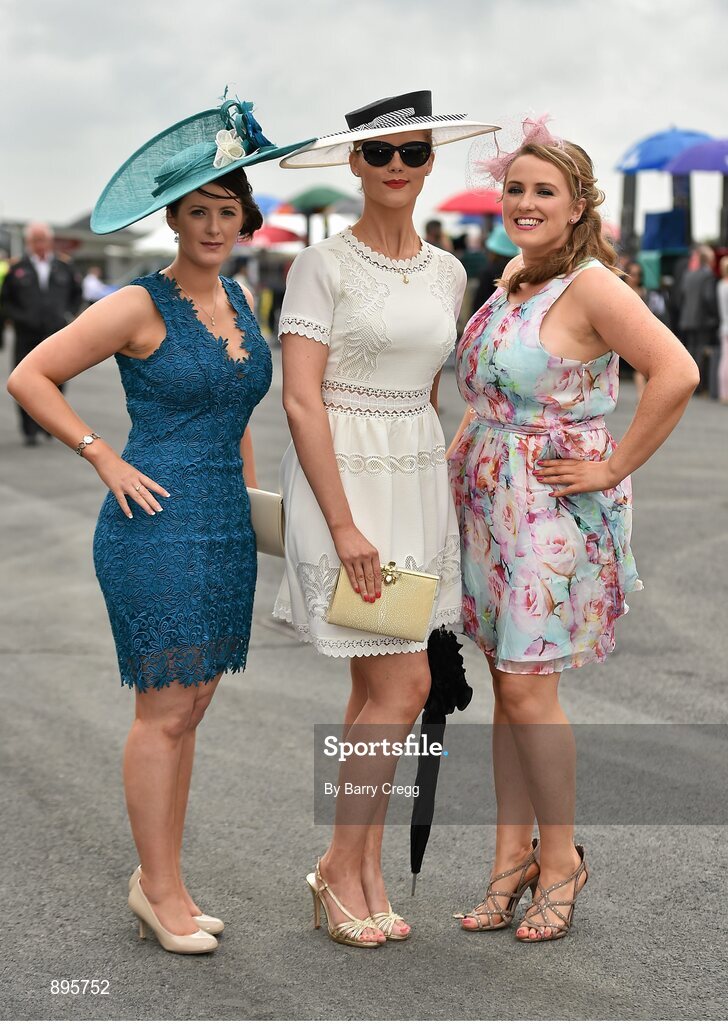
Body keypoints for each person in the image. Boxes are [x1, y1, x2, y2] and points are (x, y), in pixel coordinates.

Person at [7, 93, 310, 955]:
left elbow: (238, 413)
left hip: (221, 525)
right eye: (198, 212)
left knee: (196, 702)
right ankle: (161, 892)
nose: (214, 225)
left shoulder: (242, 301)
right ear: (173, 220)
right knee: (163, 710)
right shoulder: (138, 304)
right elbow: (30, 375)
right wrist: (101, 453)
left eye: (227, 211)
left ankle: (159, 878)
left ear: (243, 221)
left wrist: (255, 513)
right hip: (153, 520)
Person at [447, 116, 698, 943]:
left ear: (578, 204)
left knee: (529, 689)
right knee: (505, 693)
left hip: (551, 508)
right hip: (488, 504)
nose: (523, 202)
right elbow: (486, 395)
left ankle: (560, 863)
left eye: (542, 191)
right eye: (515, 188)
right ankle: (507, 861)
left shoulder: (591, 285)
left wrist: (613, 465)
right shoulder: (515, 274)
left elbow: (677, 371)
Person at [274, 90, 497, 947]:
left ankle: (359, 869)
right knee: (404, 686)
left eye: (412, 152)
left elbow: (430, 386)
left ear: (430, 161)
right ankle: (339, 867)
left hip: (413, 485)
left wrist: (447, 455)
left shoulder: (447, 270)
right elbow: (300, 401)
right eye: (379, 154)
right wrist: (343, 526)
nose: (397, 167)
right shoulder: (321, 265)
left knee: (378, 685)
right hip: (346, 490)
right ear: (354, 165)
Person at [1, 222, 81, 444]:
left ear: (50, 241)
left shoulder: (64, 267)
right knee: (24, 380)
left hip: (56, 332)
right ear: (28, 243)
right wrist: (18, 318)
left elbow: (77, 293)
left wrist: (68, 314)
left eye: (43, 239)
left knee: (57, 379)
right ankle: (29, 430)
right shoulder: (17, 268)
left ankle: (51, 427)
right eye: (35, 240)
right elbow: (6, 300)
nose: (40, 244)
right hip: (26, 334)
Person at [624, 259, 669, 397]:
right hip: (621, 332)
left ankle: (641, 397)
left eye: (638, 274)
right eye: (632, 274)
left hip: (639, 333)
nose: (635, 277)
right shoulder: (620, 291)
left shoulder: (645, 293)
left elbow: (654, 312)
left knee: (641, 367)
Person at [679, 244, 718, 390]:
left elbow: (682, 296)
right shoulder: (708, 276)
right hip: (702, 320)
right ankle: (698, 385)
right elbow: (709, 298)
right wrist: (715, 315)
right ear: (708, 259)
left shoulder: (688, 275)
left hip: (687, 318)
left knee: (691, 350)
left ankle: (688, 380)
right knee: (700, 350)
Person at [718, 255, 728, 402]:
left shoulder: (720, 284)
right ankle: (724, 392)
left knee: (724, 359)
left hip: (724, 324)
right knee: (726, 361)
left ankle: (723, 391)